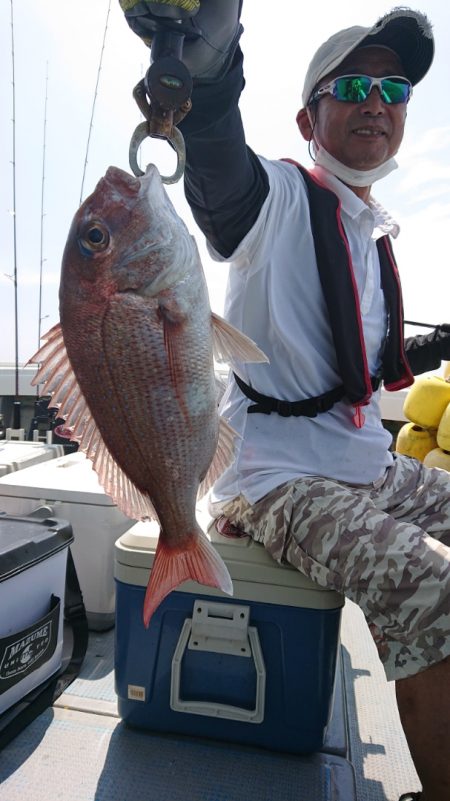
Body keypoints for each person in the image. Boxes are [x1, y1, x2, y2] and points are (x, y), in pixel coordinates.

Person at [120, 4, 450, 800]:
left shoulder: (368, 227)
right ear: (311, 116)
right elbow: (221, 174)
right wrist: (208, 64)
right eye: (356, 85)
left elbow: (358, 366)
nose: (379, 100)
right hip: (278, 481)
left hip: (367, 468)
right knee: (439, 593)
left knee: (425, 601)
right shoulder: (274, 196)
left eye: (395, 87)